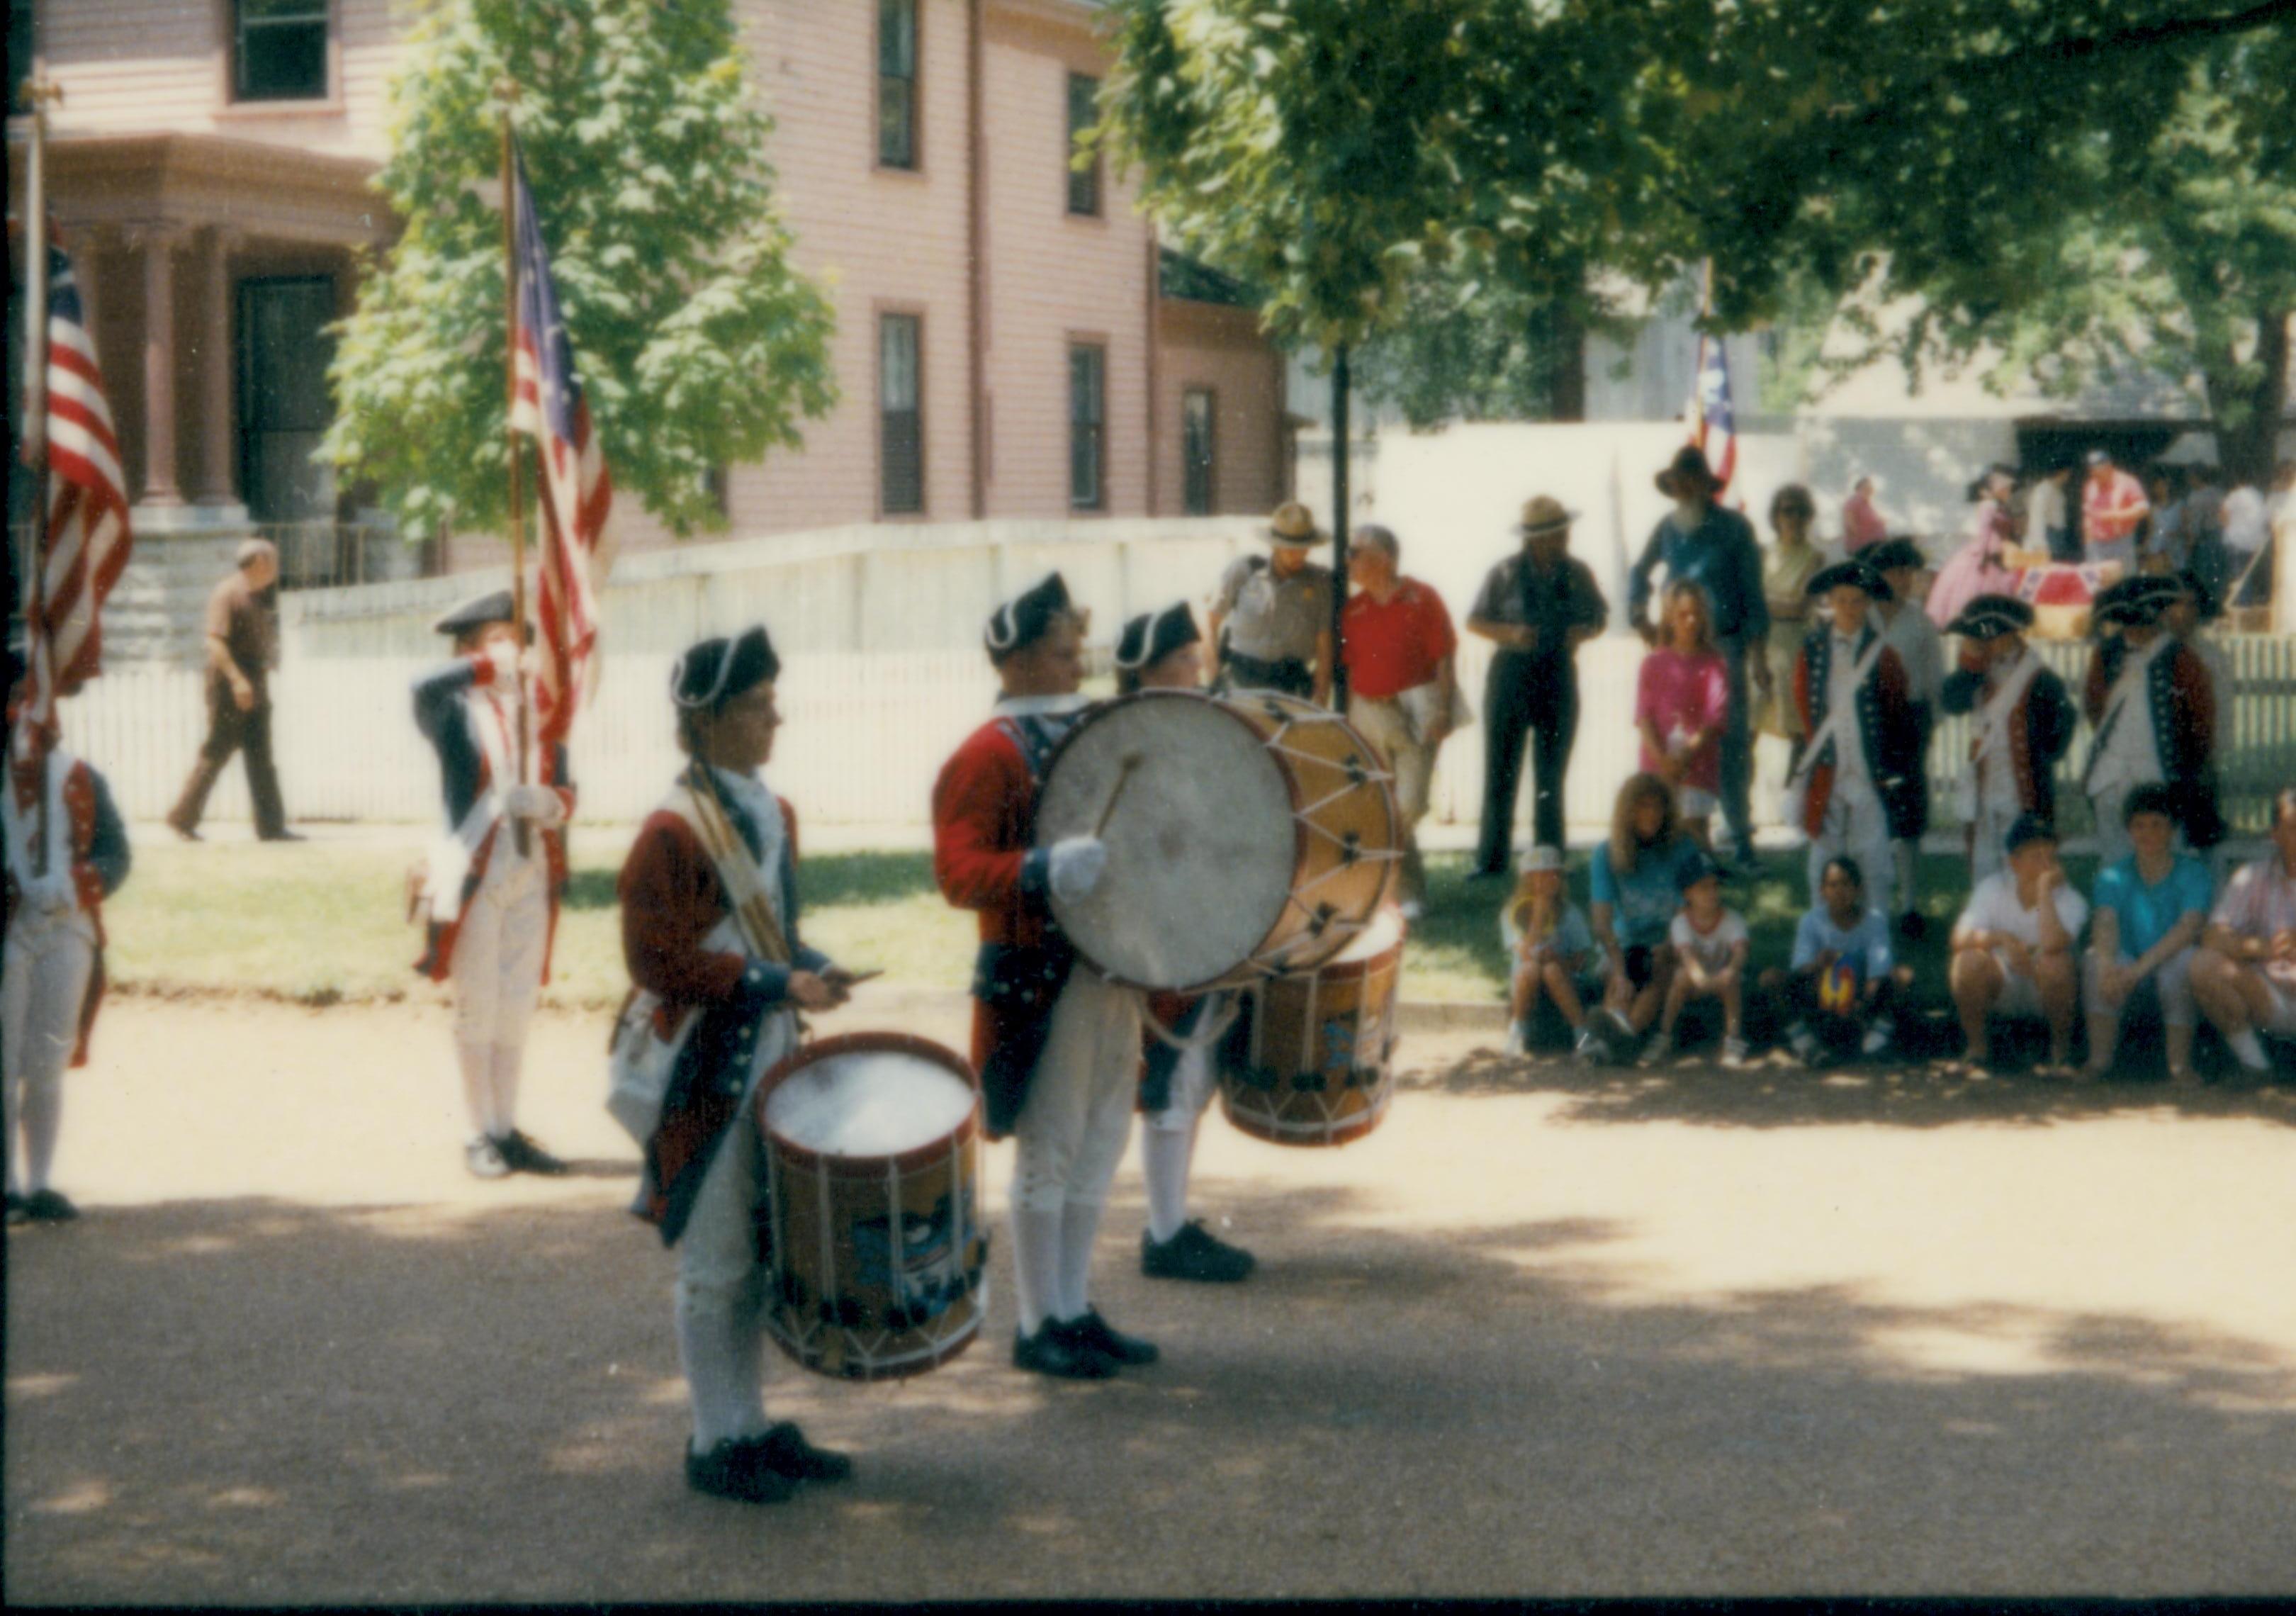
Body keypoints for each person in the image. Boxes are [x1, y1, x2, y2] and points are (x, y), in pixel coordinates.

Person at [614, 623, 861, 1504]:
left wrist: (809, 965)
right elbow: (658, 962)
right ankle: (714, 1438)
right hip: (703, 1070)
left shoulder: (771, 810)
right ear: (709, 718)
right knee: (715, 1259)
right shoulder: (671, 832)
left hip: (767, 1052)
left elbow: (773, 933)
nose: (775, 719)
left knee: (758, 1253)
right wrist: (772, 979)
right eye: (758, 706)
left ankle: (750, 1424)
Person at [933, 572, 1159, 1380]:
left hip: (1107, 966)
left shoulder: (1082, 729)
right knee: (1052, 1144)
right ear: (1020, 659)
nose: (1077, 666)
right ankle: (1037, 1320)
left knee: (1101, 1136)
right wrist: (1039, 869)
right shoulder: (986, 754)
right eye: (1062, 654)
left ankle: (1070, 1304)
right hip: (1040, 971)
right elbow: (959, 873)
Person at [410, 591, 575, 1179]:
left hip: (531, 871)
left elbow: (570, 788)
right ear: (470, 648)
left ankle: (506, 1129)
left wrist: (552, 803)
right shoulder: (454, 710)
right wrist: (487, 670)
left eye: (517, 637)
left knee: (516, 1007)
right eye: (496, 637)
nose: (513, 648)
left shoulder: (543, 711)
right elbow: (421, 688)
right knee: (478, 1005)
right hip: (477, 869)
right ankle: (476, 1131)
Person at [1117, 603, 1256, 1287]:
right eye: (1184, 661)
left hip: (1200, 923)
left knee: (1193, 1075)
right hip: (1162, 932)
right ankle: (1164, 1232)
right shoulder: (1133, 738)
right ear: (1147, 670)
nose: (1199, 671)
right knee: (1173, 1077)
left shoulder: (1187, 731)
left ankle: (1171, 1222)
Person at [3, 711, 130, 1225]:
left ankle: (39, 1182)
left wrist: (82, 882)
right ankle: (5, 1184)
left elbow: (115, 851)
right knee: (4, 1059)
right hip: (11, 925)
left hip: (67, 926)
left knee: (47, 1059)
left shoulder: (80, 774)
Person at [1628, 447, 1771, 870]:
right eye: (1678, 483)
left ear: (1706, 485)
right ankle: (1673, 843)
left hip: (1724, 647)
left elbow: (1753, 593)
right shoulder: (1667, 529)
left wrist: (1759, 654)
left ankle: (1741, 839)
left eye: (1691, 481)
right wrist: (1641, 620)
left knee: (1730, 744)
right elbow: (1639, 572)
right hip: (1675, 650)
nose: (1684, 490)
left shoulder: (1735, 528)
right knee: (1671, 743)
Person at [1466, 495, 1608, 873]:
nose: (1562, 540)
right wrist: (1511, 633)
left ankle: (1550, 857)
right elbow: (1474, 620)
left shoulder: (1578, 572)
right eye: (1553, 535)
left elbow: (1599, 617)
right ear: (1534, 539)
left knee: (1551, 773)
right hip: (1511, 671)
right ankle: (1491, 860)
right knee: (1501, 769)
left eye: (1563, 533)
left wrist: (1584, 632)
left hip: (1558, 671)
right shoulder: (1505, 573)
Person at [1785, 560, 1923, 909]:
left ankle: (1875, 934)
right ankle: (1822, 933)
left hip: (1867, 771)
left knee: (1873, 854)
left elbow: (1895, 710)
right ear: (1830, 601)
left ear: (1868, 604)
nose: (1848, 609)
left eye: (1857, 601)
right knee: (1823, 854)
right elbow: (1804, 705)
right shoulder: (1812, 651)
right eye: (1841, 600)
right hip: (1829, 768)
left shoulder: (1884, 656)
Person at [1340, 523, 1458, 916]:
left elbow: (1443, 657)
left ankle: (1388, 882)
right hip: (1367, 712)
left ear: (1385, 558)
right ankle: (1404, 892)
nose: (1349, 560)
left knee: (1409, 804)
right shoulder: (1352, 610)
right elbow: (1345, 669)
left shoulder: (1422, 598)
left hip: (1414, 710)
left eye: (1356, 552)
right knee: (1378, 803)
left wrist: (1442, 709)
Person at [166, 537, 298, 842]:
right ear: (258, 563)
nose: (277, 568)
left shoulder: (259, 594)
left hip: (255, 678)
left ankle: (271, 827)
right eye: (273, 561)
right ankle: (182, 819)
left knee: (261, 755)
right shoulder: (228, 593)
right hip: (231, 683)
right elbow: (214, 641)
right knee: (217, 751)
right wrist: (238, 680)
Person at [2080, 580, 2219, 867]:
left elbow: (2200, 724)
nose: (2136, 629)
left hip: (2161, 776)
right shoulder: (2106, 655)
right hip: (2111, 775)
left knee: (2164, 860)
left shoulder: (2182, 659)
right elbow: (2095, 708)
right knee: (2115, 861)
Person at [1940, 594, 2076, 882]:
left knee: (2022, 861)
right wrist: (1970, 663)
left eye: (1994, 636)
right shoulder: (1979, 671)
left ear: (2012, 634)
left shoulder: (2039, 678)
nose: (1989, 643)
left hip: (2022, 787)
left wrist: (2039, 758)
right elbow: (1951, 702)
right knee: (1984, 862)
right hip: (1985, 783)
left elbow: (2062, 727)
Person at [2083, 784, 2212, 1084]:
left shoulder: (2193, 873)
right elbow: (2105, 920)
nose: (2148, 833)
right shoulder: (2113, 875)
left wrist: (2139, 969)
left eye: (2157, 824)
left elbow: (2189, 927)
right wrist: (2106, 968)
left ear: (2172, 829)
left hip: (2162, 969)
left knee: (2183, 962)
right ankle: (2099, 1060)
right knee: (2094, 959)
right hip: (2125, 975)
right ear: (2129, 830)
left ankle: (2179, 1065)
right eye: (2139, 825)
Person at [1949, 812, 2087, 1075]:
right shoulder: (1992, 888)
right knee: (1967, 961)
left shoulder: (2071, 898)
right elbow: (1959, 937)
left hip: (2046, 985)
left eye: (2051, 856)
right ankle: (1977, 1052)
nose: (2046, 864)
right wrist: (2000, 938)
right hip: (2004, 983)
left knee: (2055, 962)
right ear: (2014, 862)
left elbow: (2054, 943)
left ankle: (2061, 1054)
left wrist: (2044, 889)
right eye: (2036, 856)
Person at [1585, 773, 1701, 1062]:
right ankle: (1619, 1036)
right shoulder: (1605, 853)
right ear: (1628, 811)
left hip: (1671, 940)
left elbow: (1692, 907)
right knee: (1622, 981)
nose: (1652, 814)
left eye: (1658, 807)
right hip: (1625, 945)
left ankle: (1613, 1040)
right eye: (1643, 806)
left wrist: (1671, 942)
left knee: (1660, 972)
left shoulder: (1683, 848)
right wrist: (1618, 968)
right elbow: (1602, 921)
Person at [1762, 855, 1909, 1068]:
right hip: (1820, 994)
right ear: (1822, 891)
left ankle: (1875, 1043)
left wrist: (1862, 1002)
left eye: (1847, 884)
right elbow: (1800, 969)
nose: (1840, 891)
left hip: (1861, 998)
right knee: (1771, 978)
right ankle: (1806, 1045)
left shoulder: (1874, 921)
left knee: (1903, 975)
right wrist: (1817, 964)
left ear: (1859, 889)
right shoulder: (1811, 921)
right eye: (1833, 885)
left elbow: (1878, 972)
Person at [2190, 787, 2296, 1079]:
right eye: (2293, 828)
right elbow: (2213, 936)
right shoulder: (2252, 877)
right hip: (2269, 995)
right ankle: (2255, 1066)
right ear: (2275, 835)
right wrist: (2262, 947)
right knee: (2203, 964)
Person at [1867, 538, 1943, 937]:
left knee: (1908, 815)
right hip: (1870, 719)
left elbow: (1934, 681)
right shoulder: (1863, 619)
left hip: (1909, 721)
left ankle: (1909, 904)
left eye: (1908, 573)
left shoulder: (1921, 623)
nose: (1902, 580)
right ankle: (1870, 902)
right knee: (1870, 809)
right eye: (1894, 572)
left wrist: (1930, 725)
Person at [1634, 580, 1729, 848]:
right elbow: (1643, 717)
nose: (1690, 621)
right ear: (1669, 617)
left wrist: (1684, 756)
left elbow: (1714, 719)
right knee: (1656, 835)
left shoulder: (1714, 663)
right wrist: (1663, 760)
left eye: (1696, 614)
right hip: (1657, 765)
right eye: (1683, 614)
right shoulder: (1653, 663)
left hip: (1696, 766)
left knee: (1693, 840)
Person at [1208, 501, 1334, 702]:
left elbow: (1324, 643)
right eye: (1291, 549)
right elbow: (1210, 620)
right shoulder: (1245, 570)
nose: (1298, 555)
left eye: (1304, 548)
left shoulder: (1319, 583)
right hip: (1240, 679)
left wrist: (1321, 694)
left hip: (1290, 685)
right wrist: (1213, 671)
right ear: (1275, 545)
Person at [1502, 843, 1606, 1061]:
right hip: (1527, 984)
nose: (1546, 882)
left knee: (1551, 970)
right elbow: (1525, 953)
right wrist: (1538, 915)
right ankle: (1518, 1031)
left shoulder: (1570, 912)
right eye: (1538, 876)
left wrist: (1558, 959)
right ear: (1527, 880)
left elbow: (1580, 962)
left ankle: (1582, 1035)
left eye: (1552, 876)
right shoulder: (1513, 912)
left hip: (1564, 981)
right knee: (1531, 968)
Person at [1652, 855, 1750, 1067]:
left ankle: (1733, 1038)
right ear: (1688, 894)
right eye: (1704, 887)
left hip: (1723, 979)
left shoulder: (1732, 919)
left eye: (1716, 886)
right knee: (1680, 976)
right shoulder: (1681, 922)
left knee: (1732, 978)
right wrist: (1701, 979)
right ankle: (1665, 1034)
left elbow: (1740, 952)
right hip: (1695, 981)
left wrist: (1731, 969)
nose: (1713, 893)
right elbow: (1687, 958)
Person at [1757, 484, 1824, 741]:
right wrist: (1778, 603)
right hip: (1761, 648)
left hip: (1794, 649)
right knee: (1750, 728)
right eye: (1788, 511)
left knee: (1796, 729)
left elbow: (1799, 608)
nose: (1794, 518)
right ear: (1776, 517)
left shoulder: (1815, 558)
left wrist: (1764, 601)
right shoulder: (1763, 554)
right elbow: (1749, 602)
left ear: (1809, 517)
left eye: (1802, 512)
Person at [1926, 464, 2022, 630]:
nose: (2008, 492)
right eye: (2006, 488)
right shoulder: (1989, 505)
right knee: (1974, 586)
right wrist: (1982, 555)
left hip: (1996, 551)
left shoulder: (1998, 506)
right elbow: (1984, 531)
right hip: (1986, 551)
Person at [2082, 449, 2149, 571]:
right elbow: (2088, 516)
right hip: (2097, 545)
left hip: (2121, 542)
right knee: (2099, 584)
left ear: (2109, 467)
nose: (2095, 476)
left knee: (2123, 582)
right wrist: (2088, 544)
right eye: (2092, 472)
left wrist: (2113, 516)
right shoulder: (2090, 485)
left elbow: (2143, 509)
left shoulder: (2128, 482)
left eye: (2098, 472)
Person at [2027, 461, 2078, 564]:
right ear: (2062, 472)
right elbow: (2037, 518)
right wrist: (2040, 544)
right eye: (2068, 473)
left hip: (2058, 537)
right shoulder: (2042, 490)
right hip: (2048, 537)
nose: (2069, 477)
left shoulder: (2058, 490)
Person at [1840, 475, 1890, 555]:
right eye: (1869, 486)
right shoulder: (1854, 501)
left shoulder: (1866, 503)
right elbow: (1850, 525)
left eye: (1871, 487)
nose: (1872, 489)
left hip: (1872, 547)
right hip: (1863, 549)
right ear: (1861, 487)